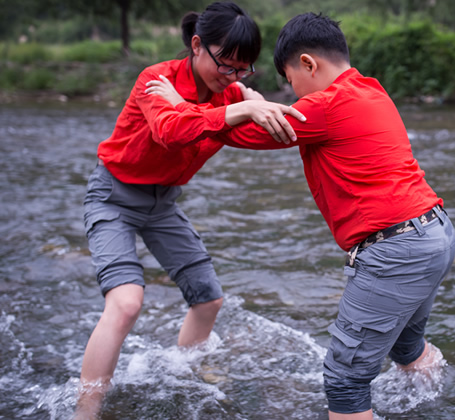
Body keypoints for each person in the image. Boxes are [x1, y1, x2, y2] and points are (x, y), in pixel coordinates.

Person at [148, 12, 455, 419]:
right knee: (407, 347)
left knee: (344, 380)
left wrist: (180, 105)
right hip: (434, 235)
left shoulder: (326, 107)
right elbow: (287, 116)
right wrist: (255, 103)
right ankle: (441, 404)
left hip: (395, 249)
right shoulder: (370, 91)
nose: (294, 94)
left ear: (309, 64)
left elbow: (241, 132)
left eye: (292, 81)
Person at [75, 2, 305, 418]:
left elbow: (269, 132)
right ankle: (85, 411)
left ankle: (183, 374)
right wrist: (241, 107)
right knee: (126, 302)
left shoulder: (231, 94)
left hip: (164, 204)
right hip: (114, 196)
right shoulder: (156, 79)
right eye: (226, 64)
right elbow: (170, 132)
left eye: (242, 69)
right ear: (197, 45)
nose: (232, 76)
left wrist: (257, 105)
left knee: (208, 301)